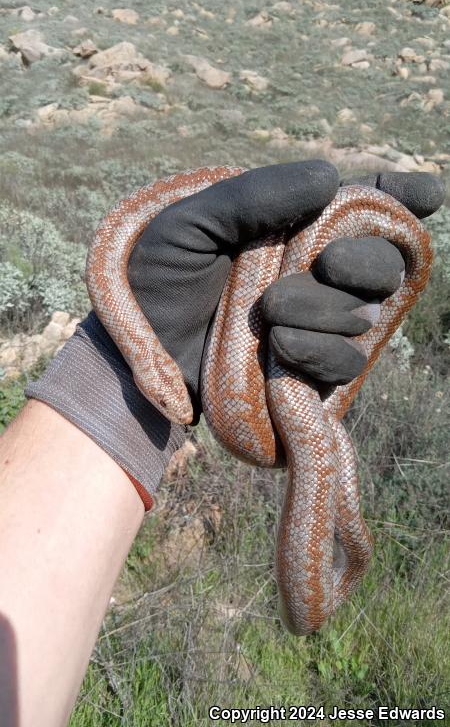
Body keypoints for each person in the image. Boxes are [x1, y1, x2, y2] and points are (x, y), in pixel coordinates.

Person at [0, 160, 444, 726]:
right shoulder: (129, 304)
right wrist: (121, 361)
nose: (176, 414)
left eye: (164, 399)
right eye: (163, 400)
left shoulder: (124, 267)